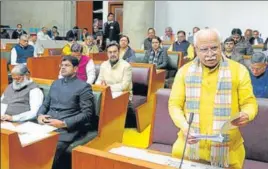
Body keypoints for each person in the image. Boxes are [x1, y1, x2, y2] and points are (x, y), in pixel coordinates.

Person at [169, 28, 257, 169]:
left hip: (228, 151)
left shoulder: (239, 70)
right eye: (204, 49)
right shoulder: (184, 71)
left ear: (221, 45)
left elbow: (249, 103)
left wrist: (247, 114)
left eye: (214, 48)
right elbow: (174, 105)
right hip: (187, 147)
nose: (210, 54)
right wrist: (184, 127)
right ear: (195, 49)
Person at [37, 56, 96, 169]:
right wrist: (40, 115)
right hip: (46, 124)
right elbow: (45, 104)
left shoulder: (84, 87)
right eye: (62, 65)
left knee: (47, 154)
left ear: (75, 69)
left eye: (67, 65)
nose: (63, 68)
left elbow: (87, 114)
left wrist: (64, 123)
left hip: (66, 129)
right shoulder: (55, 83)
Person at [95, 42, 135, 127]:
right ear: (107, 53)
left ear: (119, 52)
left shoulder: (126, 66)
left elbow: (124, 86)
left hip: (123, 95)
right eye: (110, 52)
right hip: (107, 93)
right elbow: (98, 81)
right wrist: (100, 86)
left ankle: (107, 125)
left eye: (115, 51)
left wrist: (107, 88)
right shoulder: (104, 65)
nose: (112, 54)